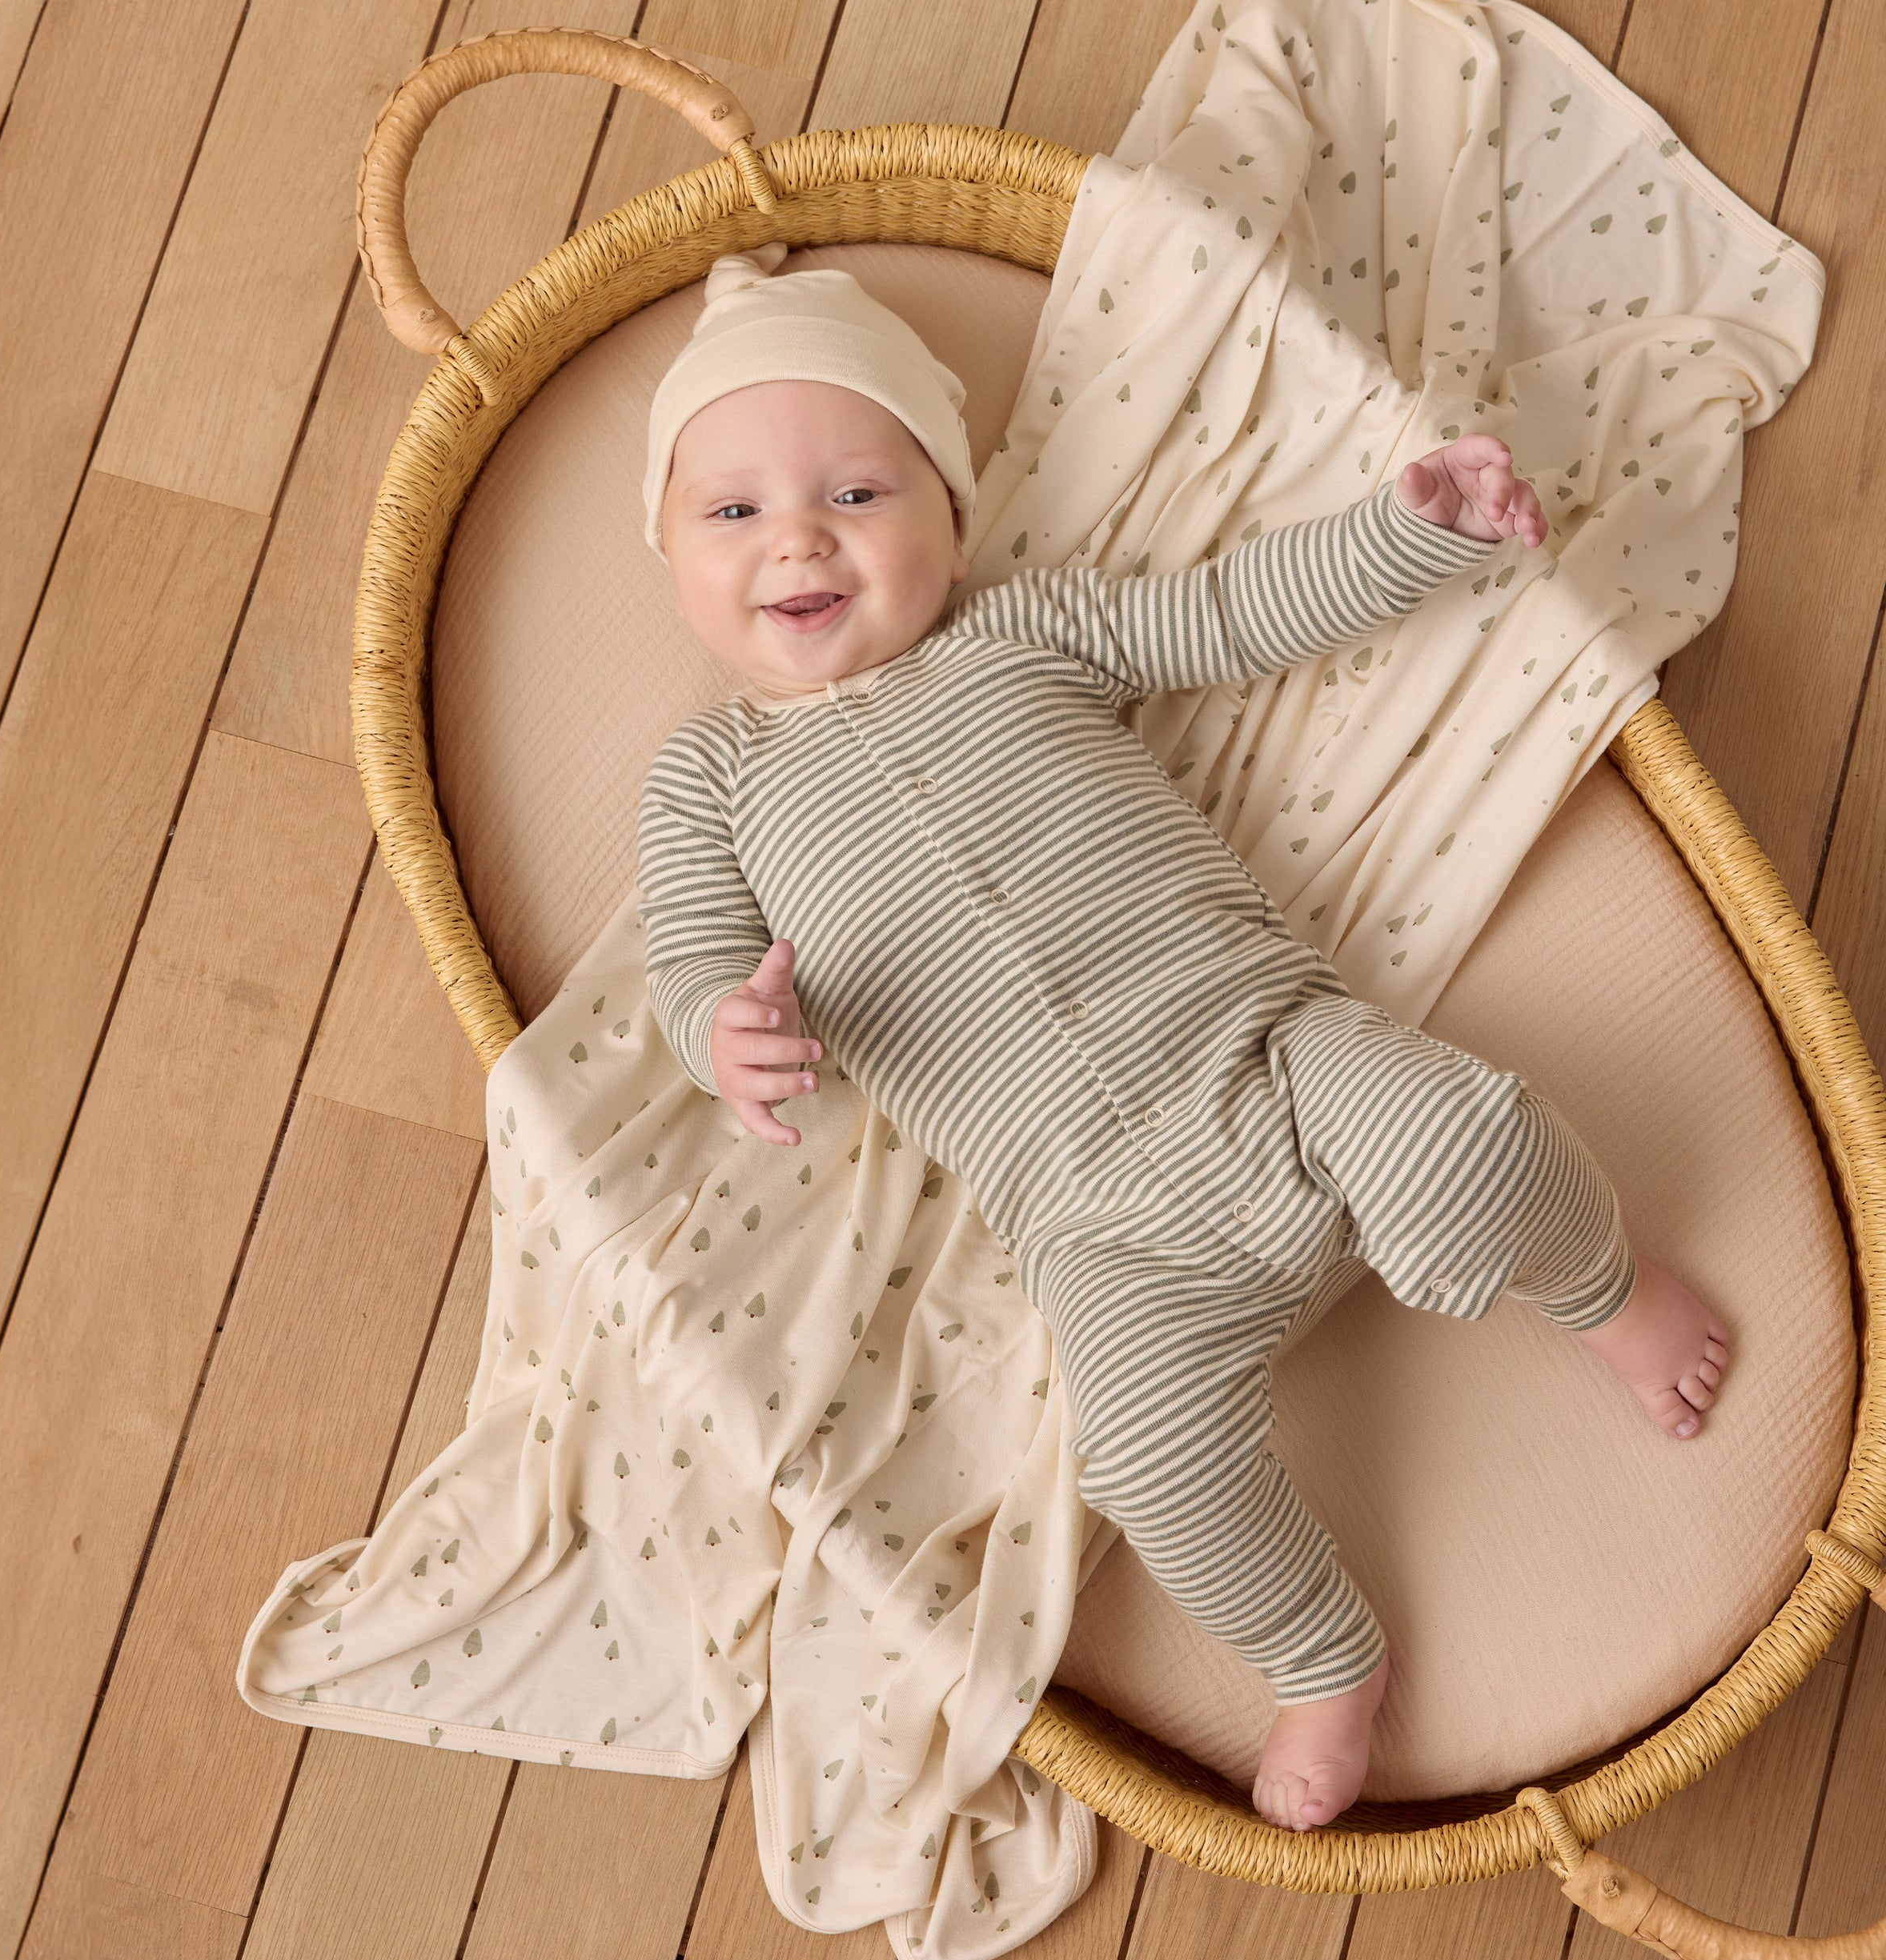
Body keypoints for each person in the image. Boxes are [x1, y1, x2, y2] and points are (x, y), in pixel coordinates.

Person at [632, 248, 1732, 1833]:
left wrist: (1405, 530)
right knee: (1144, 1454)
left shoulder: (1026, 630)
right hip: (1088, 1218)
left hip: (1274, 1059)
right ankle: (1322, 1653)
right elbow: (690, 960)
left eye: (859, 493)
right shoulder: (709, 782)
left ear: (952, 516)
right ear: (669, 556)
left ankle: (1604, 1289)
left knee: (1467, 1136)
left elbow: (1227, 614)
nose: (798, 537)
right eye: (731, 511)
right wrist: (726, 1033)